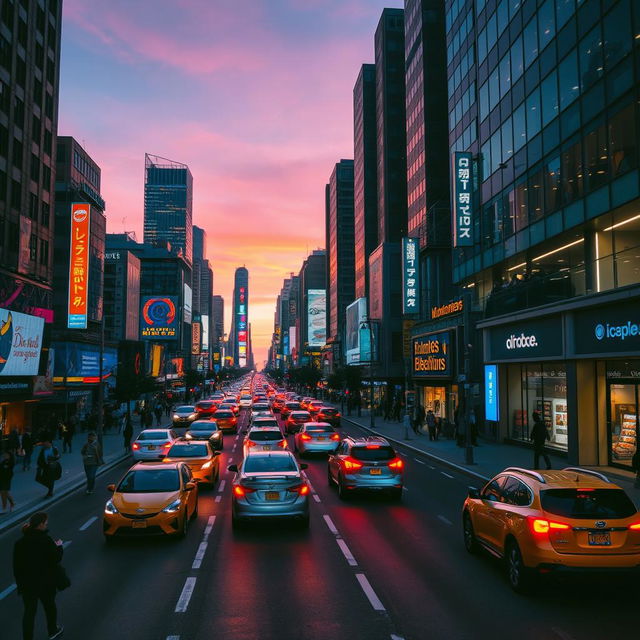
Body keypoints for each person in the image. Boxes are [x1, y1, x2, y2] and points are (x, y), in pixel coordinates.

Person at [13, 511, 64, 640]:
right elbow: (55, 559)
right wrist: (59, 547)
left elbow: (16, 567)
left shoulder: (20, 543)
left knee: (29, 613)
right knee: (50, 607)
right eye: (45, 523)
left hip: (28, 585)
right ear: (40, 525)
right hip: (46, 583)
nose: (46, 526)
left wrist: (21, 585)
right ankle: (52, 630)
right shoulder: (46, 540)